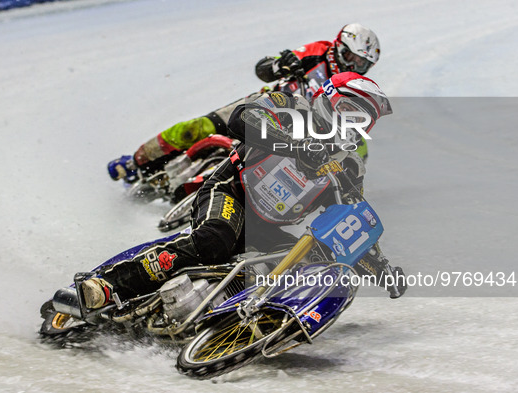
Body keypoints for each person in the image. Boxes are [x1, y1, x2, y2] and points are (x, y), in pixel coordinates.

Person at [82, 72, 406, 309]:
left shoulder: (348, 166)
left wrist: (380, 269)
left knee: (307, 269)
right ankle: (107, 285)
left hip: (265, 226)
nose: (355, 125)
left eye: (364, 121)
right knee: (214, 240)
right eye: (353, 113)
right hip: (230, 190)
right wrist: (296, 146)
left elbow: (350, 221)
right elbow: (243, 118)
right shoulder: (291, 104)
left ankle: (234, 321)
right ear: (332, 99)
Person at [108, 23, 382, 183]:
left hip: (295, 135)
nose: (356, 66)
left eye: (363, 64)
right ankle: (135, 160)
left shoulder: (353, 90)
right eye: (353, 58)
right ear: (339, 47)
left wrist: (355, 160)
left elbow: (357, 138)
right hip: (267, 104)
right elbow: (263, 69)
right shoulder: (316, 52)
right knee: (199, 127)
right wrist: (281, 64)